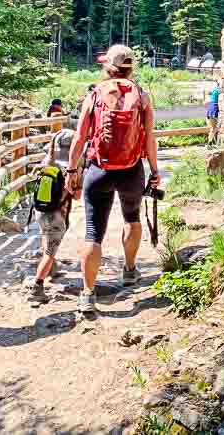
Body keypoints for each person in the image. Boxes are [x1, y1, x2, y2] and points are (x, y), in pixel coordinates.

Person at [66, 45, 161, 316]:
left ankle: (87, 294)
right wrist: (154, 171)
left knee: (93, 231)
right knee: (132, 217)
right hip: (131, 170)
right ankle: (130, 270)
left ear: (107, 66)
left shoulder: (95, 94)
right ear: (131, 68)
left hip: (99, 171)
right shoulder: (142, 95)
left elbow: (79, 137)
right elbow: (150, 138)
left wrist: (72, 171)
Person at [27, 129, 74, 304]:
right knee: (49, 251)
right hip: (57, 215)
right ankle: (37, 287)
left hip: (40, 212)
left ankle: (51, 270)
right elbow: (76, 195)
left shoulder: (44, 166)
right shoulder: (69, 170)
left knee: (46, 240)